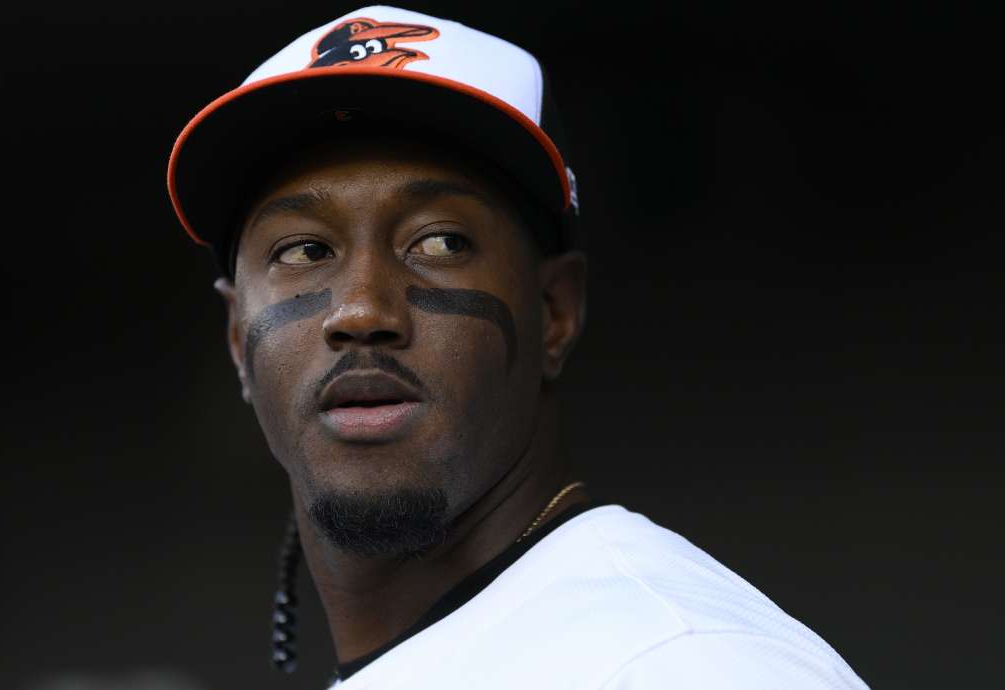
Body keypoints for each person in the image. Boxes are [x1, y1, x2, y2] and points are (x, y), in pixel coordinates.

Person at [166, 6, 868, 689]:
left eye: (439, 242)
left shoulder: (676, 664)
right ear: (236, 338)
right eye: (304, 250)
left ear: (554, 312)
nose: (360, 311)